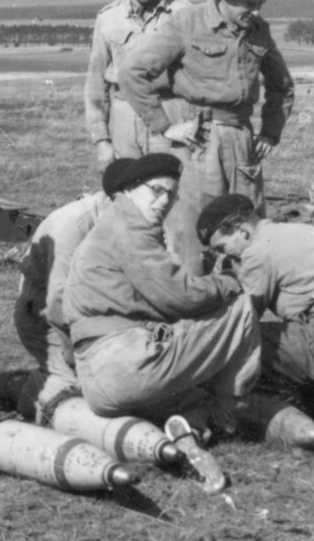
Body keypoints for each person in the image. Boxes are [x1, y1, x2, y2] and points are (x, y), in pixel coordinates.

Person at [61, 153, 261, 438]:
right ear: (130, 189)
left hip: (97, 378)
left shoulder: (109, 226)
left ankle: (190, 430)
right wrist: (228, 282)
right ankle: (230, 408)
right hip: (126, 365)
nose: (165, 201)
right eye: (156, 191)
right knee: (241, 306)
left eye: (172, 195)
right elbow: (181, 296)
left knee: (192, 399)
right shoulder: (130, 230)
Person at [115, 0, 294, 273]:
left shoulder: (258, 30)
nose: (255, 12)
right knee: (192, 231)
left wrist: (270, 131)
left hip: (241, 142)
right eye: (248, 5)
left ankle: (243, 308)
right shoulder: (188, 23)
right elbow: (132, 71)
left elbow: (282, 85)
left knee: (248, 225)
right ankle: (192, 310)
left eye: (260, 4)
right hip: (196, 142)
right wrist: (163, 126)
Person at [197, 193, 314, 417]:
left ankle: (294, 406)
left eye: (222, 248)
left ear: (241, 230)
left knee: (237, 348)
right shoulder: (297, 231)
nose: (225, 256)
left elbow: (243, 318)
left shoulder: (258, 251)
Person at [0, 186, 114, 420]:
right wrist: (74, 350)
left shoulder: (115, 216)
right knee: (70, 398)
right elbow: (58, 302)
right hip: (46, 321)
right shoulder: (74, 225)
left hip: (88, 313)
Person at [85, 0, 189, 168]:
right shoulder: (108, 18)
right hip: (124, 114)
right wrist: (101, 140)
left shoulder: (183, 13)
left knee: (174, 188)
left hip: (169, 110)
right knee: (128, 190)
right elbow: (95, 85)